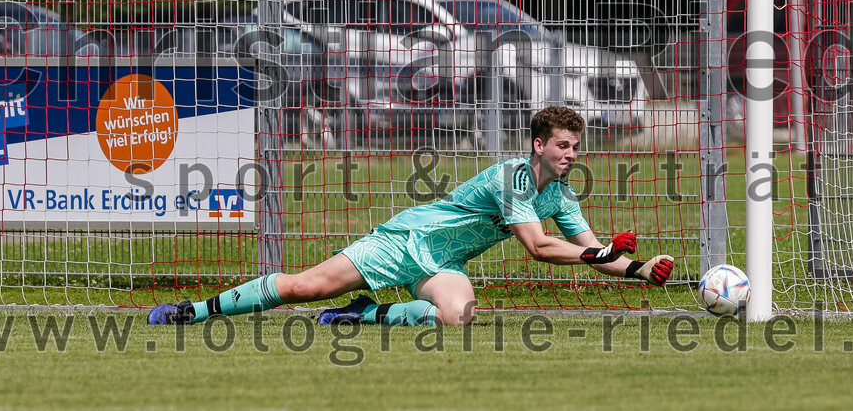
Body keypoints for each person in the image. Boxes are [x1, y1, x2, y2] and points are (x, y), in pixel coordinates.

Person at [149, 106, 674, 327]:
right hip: (404, 241)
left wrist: (638, 268)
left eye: (576, 146)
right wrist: (598, 253)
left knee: (458, 318)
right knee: (304, 289)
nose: (572, 154)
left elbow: (594, 250)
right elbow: (539, 248)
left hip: (441, 262)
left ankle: (366, 314)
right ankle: (193, 312)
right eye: (563, 145)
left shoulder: (560, 193)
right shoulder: (511, 176)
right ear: (538, 145)